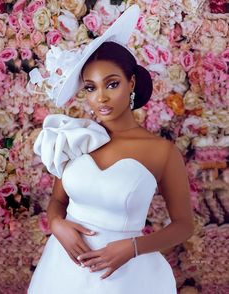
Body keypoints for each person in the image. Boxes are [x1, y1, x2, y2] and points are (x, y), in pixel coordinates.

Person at [28, 5, 194, 294]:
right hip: (62, 269)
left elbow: (183, 225)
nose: (100, 98)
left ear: (131, 83)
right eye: (90, 88)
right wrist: (58, 225)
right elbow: (58, 202)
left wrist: (132, 248)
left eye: (112, 84)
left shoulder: (162, 152)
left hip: (124, 277)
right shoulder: (76, 138)